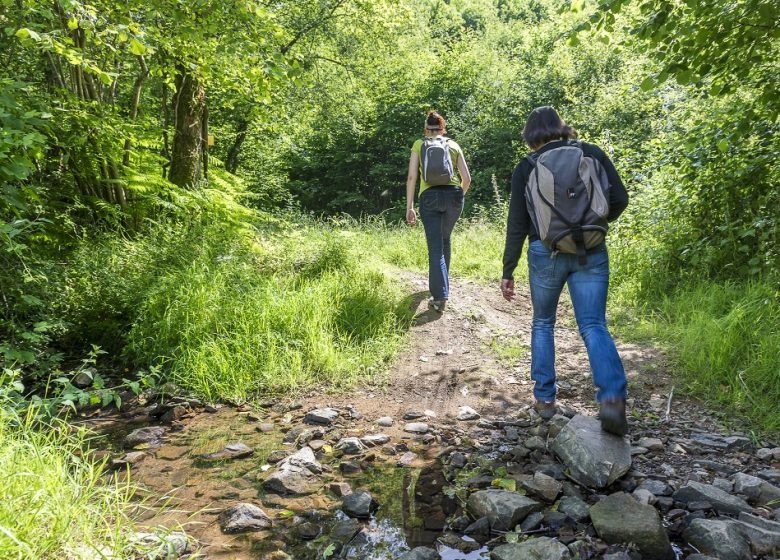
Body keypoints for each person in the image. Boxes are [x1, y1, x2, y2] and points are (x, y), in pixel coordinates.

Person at [500, 106, 630, 436]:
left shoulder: (527, 167)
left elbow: (517, 224)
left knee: (543, 322)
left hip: (546, 252)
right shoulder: (591, 153)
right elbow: (620, 198)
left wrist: (508, 269)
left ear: (530, 135)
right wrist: (594, 225)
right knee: (593, 324)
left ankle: (545, 400)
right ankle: (612, 398)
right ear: (561, 128)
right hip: (591, 249)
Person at [406, 111, 471, 312]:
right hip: (453, 195)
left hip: (429, 197)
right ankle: (442, 284)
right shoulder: (453, 145)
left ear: (426, 129)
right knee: (445, 239)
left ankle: (440, 296)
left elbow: (411, 178)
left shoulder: (419, 145)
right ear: (443, 129)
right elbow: (467, 178)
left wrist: (409, 207)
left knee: (435, 247)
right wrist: (459, 196)